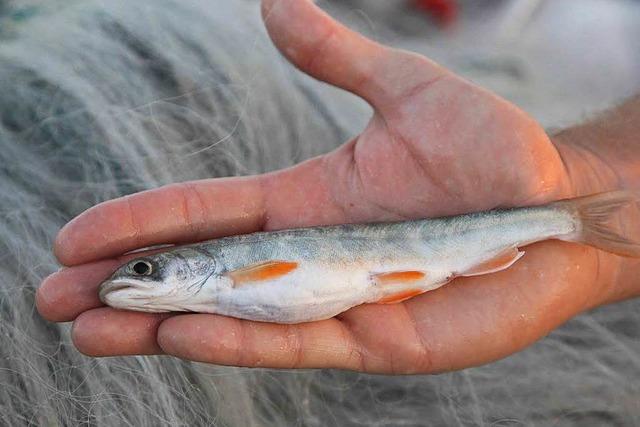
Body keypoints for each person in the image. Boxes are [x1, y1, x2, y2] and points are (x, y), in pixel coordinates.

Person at [37, 0, 640, 374]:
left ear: (196, 265)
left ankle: (574, 215)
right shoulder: (215, 292)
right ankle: (578, 212)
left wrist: (582, 184)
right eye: (144, 272)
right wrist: (588, 173)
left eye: (147, 272)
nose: (134, 282)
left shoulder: (226, 277)